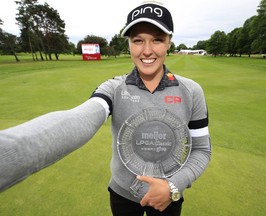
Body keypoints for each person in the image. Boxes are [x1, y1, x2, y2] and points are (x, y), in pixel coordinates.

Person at [0, 1, 211, 215]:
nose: (147, 51)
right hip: (122, 195)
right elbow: (81, 119)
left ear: (169, 42)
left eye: (157, 39)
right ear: (129, 44)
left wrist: (173, 186)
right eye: (138, 40)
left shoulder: (192, 91)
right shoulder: (113, 88)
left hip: (169, 197)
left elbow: (202, 150)